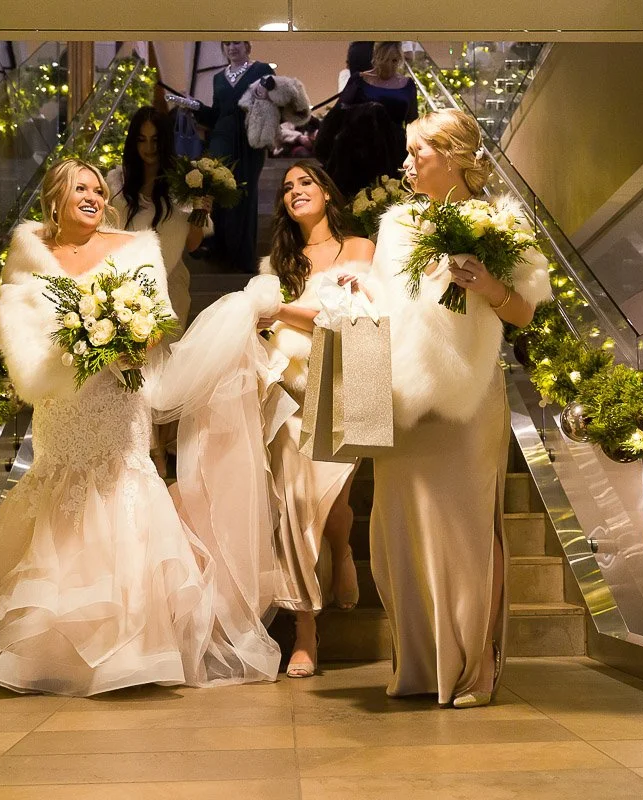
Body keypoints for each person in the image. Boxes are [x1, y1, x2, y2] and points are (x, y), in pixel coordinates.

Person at [0, 157, 279, 695]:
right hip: (60, 402)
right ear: (56, 198)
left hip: (117, 394)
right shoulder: (29, 251)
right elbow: (22, 323)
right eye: (81, 188)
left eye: (98, 189)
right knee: (59, 495)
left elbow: (156, 320)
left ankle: (131, 650)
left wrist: (124, 339)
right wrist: (6, 324)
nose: (94, 197)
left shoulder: (134, 248)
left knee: (120, 489)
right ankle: (52, 653)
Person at [365, 109, 551, 708]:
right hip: (401, 398)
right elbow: (382, 303)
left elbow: (525, 312)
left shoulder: (501, 221)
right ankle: (420, 664)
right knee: (399, 527)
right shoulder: (395, 225)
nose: (407, 162)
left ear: (453, 155)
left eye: (418, 151)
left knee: (468, 528)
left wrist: (488, 285)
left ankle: (476, 666)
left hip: (469, 398)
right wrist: (354, 294)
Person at [257, 162, 375, 677]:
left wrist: (280, 312)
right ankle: (305, 631)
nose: (295, 192)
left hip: (347, 386)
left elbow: (351, 318)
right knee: (295, 504)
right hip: (288, 395)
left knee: (333, 502)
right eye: (287, 188)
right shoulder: (276, 264)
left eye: (305, 182)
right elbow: (264, 324)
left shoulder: (361, 249)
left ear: (327, 191)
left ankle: (342, 549)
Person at [106, 106, 211, 476]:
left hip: (171, 287)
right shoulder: (118, 183)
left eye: (154, 140)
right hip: (128, 291)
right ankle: (148, 453)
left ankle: (162, 449)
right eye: (141, 140)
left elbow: (194, 244)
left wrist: (201, 209)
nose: (148, 148)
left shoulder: (182, 183)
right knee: (138, 370)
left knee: (166, 372)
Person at [174, 41, 275, 274]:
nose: (231, 47)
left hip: (249, 142)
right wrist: (194, 106)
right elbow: (216, 115)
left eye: (236, 42)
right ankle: (219, 253)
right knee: (218, 193)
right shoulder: (218, 78)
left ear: (247, 46)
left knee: (244, 195)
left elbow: (273, 104)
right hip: (222, 139)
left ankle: (242, 257)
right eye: (227, 43)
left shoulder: (262, 70)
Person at [317, 42, 418, 200]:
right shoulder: (359, 80)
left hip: (393, 150)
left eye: (394, 61)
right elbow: (339, 112)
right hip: (359, 150)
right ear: (376, 58)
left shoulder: (407, 85)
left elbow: (412, 120)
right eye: (385, 60)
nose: (390, 66)